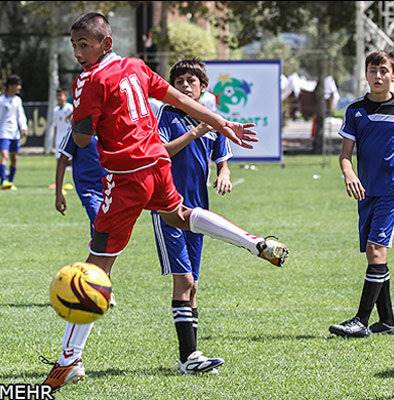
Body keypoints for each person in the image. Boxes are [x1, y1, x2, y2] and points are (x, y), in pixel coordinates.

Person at [42, 12, 288, 390]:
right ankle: (255, 243)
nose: (78, 52)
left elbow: (80, 139)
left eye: (84, 44)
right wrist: (222, 122)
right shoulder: (136, 67)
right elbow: (177, 99)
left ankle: (68, 360)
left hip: (126, 178)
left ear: (105, 44)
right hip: (158, 165)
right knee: (180, 215)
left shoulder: (90, 81)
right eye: (74, 45)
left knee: (95, 268)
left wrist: (83, 123)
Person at [328, 50, 394, 338]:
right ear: (366, 74)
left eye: (384, 71)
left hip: (391, 190)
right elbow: (346, 155)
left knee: (376, 251)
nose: (378, 76)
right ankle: (386, 322)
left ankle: (361, 320)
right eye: (373, 71)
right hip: (365, 192)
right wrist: (349, 174)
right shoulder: (355, 110)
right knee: (375, 257)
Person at [152, 59, 233, 374]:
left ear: (203, 87)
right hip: (168, 208)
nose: (186, 86)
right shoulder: (167, 115)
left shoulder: (213, 120)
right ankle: (189, 357)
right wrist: (196, 131)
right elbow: (162, 152)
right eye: (180, 81)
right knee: (183, 280)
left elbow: (222, 158)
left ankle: (191, 356)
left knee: (193, 285)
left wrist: (223, 173)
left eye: (191, 81)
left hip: (199, 211)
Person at [54, 129, 106, 236]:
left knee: (104, 227)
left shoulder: (108, 127)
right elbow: (62, 160)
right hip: (88, 188)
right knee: (100, 222)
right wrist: (58, 194)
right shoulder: (78, 130)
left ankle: (96, 250)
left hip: (109, 187)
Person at [0, 75, 27, 190]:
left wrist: (24, 127)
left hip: (14, 133)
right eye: (17, 85)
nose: (19, 87)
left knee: (14, 158)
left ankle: (10, 181)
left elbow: (20, 115)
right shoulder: (1, 100)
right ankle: (4, 181)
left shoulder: (17, 100)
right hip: (3, 132)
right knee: (4, 155)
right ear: (10, 86)